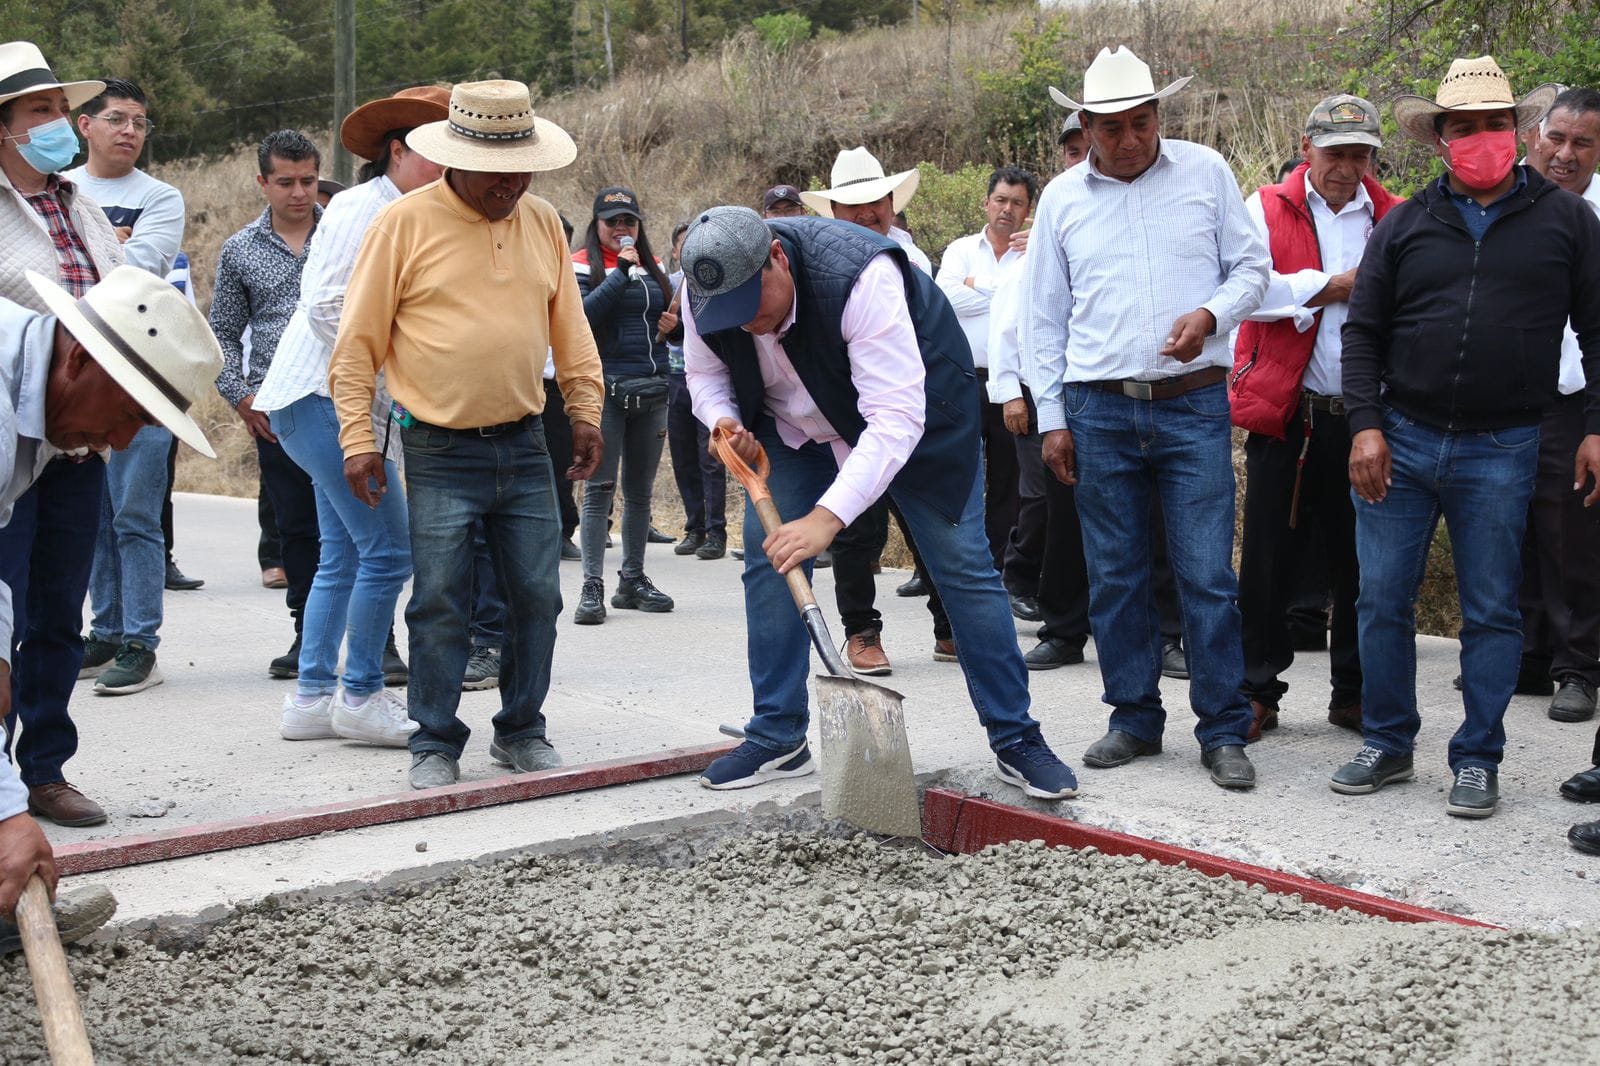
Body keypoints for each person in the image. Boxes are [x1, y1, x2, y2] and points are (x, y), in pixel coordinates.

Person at [681, 205, 1080, 800]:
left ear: (777, 259)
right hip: (792, 430)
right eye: (733, 319)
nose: (748, 328)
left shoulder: (860, 277)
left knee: (963, 569)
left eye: (755, 309)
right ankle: (778, 735)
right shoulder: (708, 289)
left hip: (918, 423)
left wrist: (826, 518)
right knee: (771, 564)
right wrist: (725, 421)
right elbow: (704, 374)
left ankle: (1016, 737)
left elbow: (894, 419)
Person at [1337, 57, 1598, 819]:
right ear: (1440, 139)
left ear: (1514, 130)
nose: (1479, 137)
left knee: (1491, 609)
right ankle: (1387, 742)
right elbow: (1363, 335)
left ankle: (1478, 756)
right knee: (1382, 599)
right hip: (1403, 439)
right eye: (1463, 127)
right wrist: (1365, 426)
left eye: (1493, 124)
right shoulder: (1405, 222)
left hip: (1506, 445)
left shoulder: (1567, 220)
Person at [327, 80, 604, 790]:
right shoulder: (403, 225)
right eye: (497, 172)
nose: (512, 184)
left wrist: (584, 410)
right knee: (440, 599)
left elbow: (570, 329)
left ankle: (521, 728)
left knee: (536, 595)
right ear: (457, 160)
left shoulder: (541, 221)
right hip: (439, 448)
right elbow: (357, 344)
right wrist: (358, 437)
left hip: (523, 441)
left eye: (523, 170)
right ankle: (435, 740)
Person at [1024, 45, 1270, 791]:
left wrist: (1209, 314)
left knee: (1204, 574)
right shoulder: (1062, 200)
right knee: (1117, 575)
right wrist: (1052, 418)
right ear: (1086, 127)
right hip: (1098, 409)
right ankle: (1133, 716)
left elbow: (1251, 270)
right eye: (1111, 128)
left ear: (1160, 114)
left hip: (1192, 401)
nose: (1128, 139)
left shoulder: (1207, 173)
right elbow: (1043, 318)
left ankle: (1223, 727)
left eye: (1141, 122)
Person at [0, 265, 218, 940]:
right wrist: (9, 811)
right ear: (80, 357)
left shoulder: (36, 411)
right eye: (127, 415)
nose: (121, 443)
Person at [254, 88, 454, 746]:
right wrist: (410, 362)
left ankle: (311, 698)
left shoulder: (416, 208)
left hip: (327, 400)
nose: (448, 162)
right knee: (392, 550)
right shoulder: (362, 209)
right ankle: (362, 694)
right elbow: (327, 305)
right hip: (321, 397)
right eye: (435, 150)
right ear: (397, 151)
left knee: (343, 555)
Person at [1231, 94, 1402, 740]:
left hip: (1363, 418)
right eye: (1335, 153)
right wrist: (1332, 286)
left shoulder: (1392, 217)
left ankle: (1352, 692)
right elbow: (1248, 287)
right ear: (1308, 149)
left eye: (1360, 154)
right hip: (1287, 414)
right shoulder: (1265, 207)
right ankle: (1257, 689)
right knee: (1268, 560)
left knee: (1362, 561)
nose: (1346, 167)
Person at [0, 42, 122, 829]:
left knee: (57, 614)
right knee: (0, 615)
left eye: (57, 108)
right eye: (39, 111)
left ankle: (43, 769)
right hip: (10, 446)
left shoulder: (79, 203)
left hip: (80, 441)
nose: (57, 123)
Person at [798, 146, 950, 671]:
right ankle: (861, 633)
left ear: (891, 201)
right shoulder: (816, 268)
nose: (868, 212)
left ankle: (948, 627)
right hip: (850, 418)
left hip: (916, 416)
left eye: (876, 200)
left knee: (928, 525)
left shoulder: (915, 261)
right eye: (853, 204)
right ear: (834, 212)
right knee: (857, 532)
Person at [66, 78, 185, 696]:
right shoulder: (57, 189)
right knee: (94, 514)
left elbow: (138, 272)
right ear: (84, 125)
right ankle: (105, 631)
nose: (129, 131)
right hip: (73, 377)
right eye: (116, 119)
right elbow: (35, 275)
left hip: (143, 375)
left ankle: (142, 642)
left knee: (136, 515)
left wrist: (95, 255)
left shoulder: (161, 197)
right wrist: (109, 245)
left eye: (139, 121)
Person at [210, 130, 323, 679]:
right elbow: (223, 336)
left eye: (308, 181)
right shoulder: (240, 250)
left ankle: (381, 641)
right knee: (297, 526)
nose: (299, 193)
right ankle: (308, 634)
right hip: (279, 409)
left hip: (349, 402)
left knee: (365, 527)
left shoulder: (350, 237)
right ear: (263, 182)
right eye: (286, 182)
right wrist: (242, 396)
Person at [1516, 87, 1600, 725]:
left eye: (1583, 144)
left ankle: (1578, 669)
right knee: (1506, 532)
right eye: (1558, 139)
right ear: (1534, 138)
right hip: (1509, 398)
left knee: (1572, 537)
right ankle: (1524, 655)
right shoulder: (1511, 204)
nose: (1566, 155)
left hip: (1579, 402)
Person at [570, 186, 678, 624]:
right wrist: (619, 274)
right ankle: (591, 584)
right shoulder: (579, 266)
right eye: (612, 221)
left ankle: (632, 579)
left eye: (628, 221)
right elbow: (581, 319)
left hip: (651, 390)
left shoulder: (655, 269)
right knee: (599, 490)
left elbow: (662, 329)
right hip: (605, 393)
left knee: (640, 493)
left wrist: (674, 330)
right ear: (596, 225)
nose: (621, 229)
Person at [937, 166, 1035, 579]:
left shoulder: (1035, 252)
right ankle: (954, 565)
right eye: (1000, 200)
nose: (1006, 210)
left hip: (1012, 381)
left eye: (1017, 203)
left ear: (1029, 210)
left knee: (1010, 481)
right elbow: (946, 293)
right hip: (963, 379)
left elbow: (1032, 303)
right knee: (959, 475)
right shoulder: (961, 249)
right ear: (986, 203)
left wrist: (978, 286)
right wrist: (1006, 296)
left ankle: (1000, 568)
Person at [664, 221, 729, 561]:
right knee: (684, 456)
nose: (688, 249)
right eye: (682, 244)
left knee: (712, 457)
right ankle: (695, 527)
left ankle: (717, 531)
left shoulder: (718, 281)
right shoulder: (669, 285)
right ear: (675, 252)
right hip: (675, 377)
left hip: (712, 379)